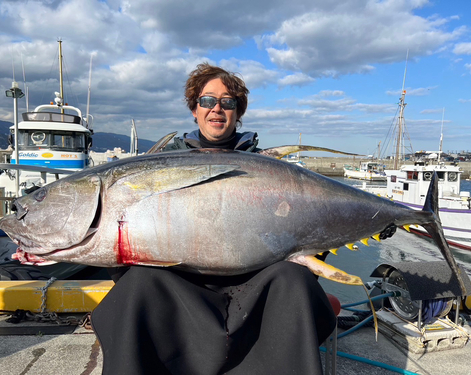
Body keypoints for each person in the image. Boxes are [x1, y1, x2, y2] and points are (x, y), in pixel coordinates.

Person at [91, 63, 337, 375]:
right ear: (194, 109)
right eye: (207, 101)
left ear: (238, 112)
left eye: (227, 102)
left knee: (295, 281)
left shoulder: (268, 168)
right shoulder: (161, 164)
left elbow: (304, 224)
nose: (216, 109)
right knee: (136, 284)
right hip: (182, 280)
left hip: (254, 280)